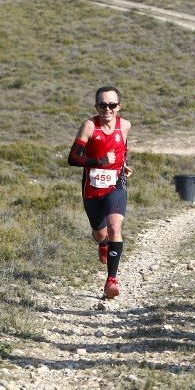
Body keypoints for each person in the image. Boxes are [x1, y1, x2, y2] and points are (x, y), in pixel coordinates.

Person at [68, 86, 132, 300]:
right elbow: (73, 158)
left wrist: (124, 165)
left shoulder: (124, 125)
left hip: (116, 185)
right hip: (92, 189)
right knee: (101, 233)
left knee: (115, 227)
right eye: (103, 105)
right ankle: (103, 244)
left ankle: (111, 280)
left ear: (118, 107)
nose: (107, 109)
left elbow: (123, 149)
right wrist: (99, 162)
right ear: (96, 106)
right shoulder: (89, 126)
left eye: (112, 105)